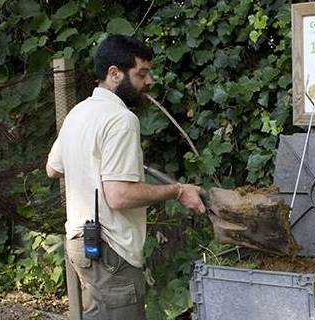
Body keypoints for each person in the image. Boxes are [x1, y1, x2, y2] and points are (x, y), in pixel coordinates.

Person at [45, 35, 205, 319]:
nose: (149, 81)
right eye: (141, 73)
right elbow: (119, 195)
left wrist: (89, 162)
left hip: (80, 245)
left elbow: (53, 168)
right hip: (111, 251)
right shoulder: (122, 119)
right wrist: (178, 190)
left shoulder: (77, 113)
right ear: (114, 74)